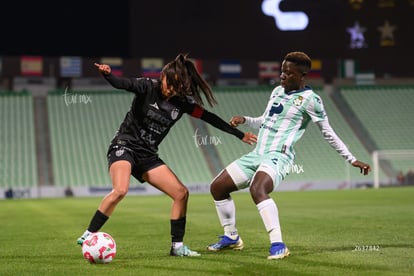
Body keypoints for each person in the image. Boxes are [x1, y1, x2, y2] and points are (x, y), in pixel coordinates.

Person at [76, 53, 257, 257]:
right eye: (169, 84)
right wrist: (108, 75)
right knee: (120, 190)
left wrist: (239, 134)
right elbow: (123, 83)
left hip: (147, 156)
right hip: (124, 145)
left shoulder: (181, 103)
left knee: (181, 193)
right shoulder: (147, 87)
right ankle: (88, 234)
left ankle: (177, 247)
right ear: (163, 76)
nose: (171, 90)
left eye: (176, 88)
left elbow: (209, 117)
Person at [206, 51, 371, 260]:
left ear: (302, 76)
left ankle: (278, 244)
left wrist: (351, 158)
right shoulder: (277, 91)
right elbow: (265, 119)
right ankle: (232, 237)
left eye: (288, 73)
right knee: (217, 187)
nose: (282, 76)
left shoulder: (312, 100)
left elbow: (328, 133)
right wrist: (244, 119)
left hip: (279, 156)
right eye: (282, 71)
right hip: (257, 153)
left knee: (258, 189)